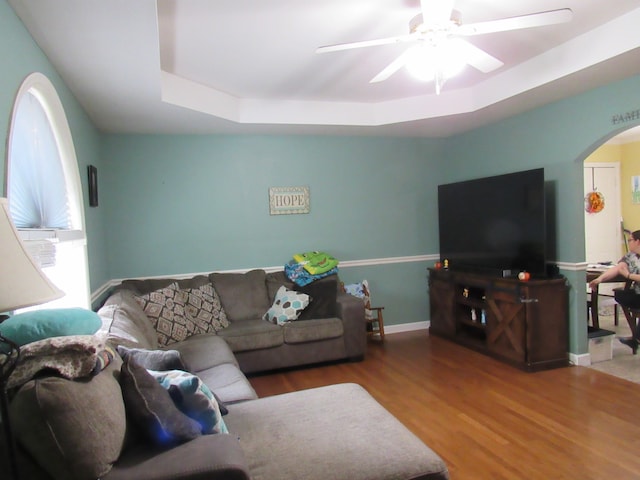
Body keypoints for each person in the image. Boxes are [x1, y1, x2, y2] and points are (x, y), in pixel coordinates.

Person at [589, 229, 640, 353]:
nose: (629, 242)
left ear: (638, 241)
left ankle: (636, 340)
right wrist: (599, 279)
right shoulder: (630, 256)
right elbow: (618, 268)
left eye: (630, 240)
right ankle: (636, 340)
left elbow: (626, 273)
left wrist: (629, 276)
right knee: (620, 295)